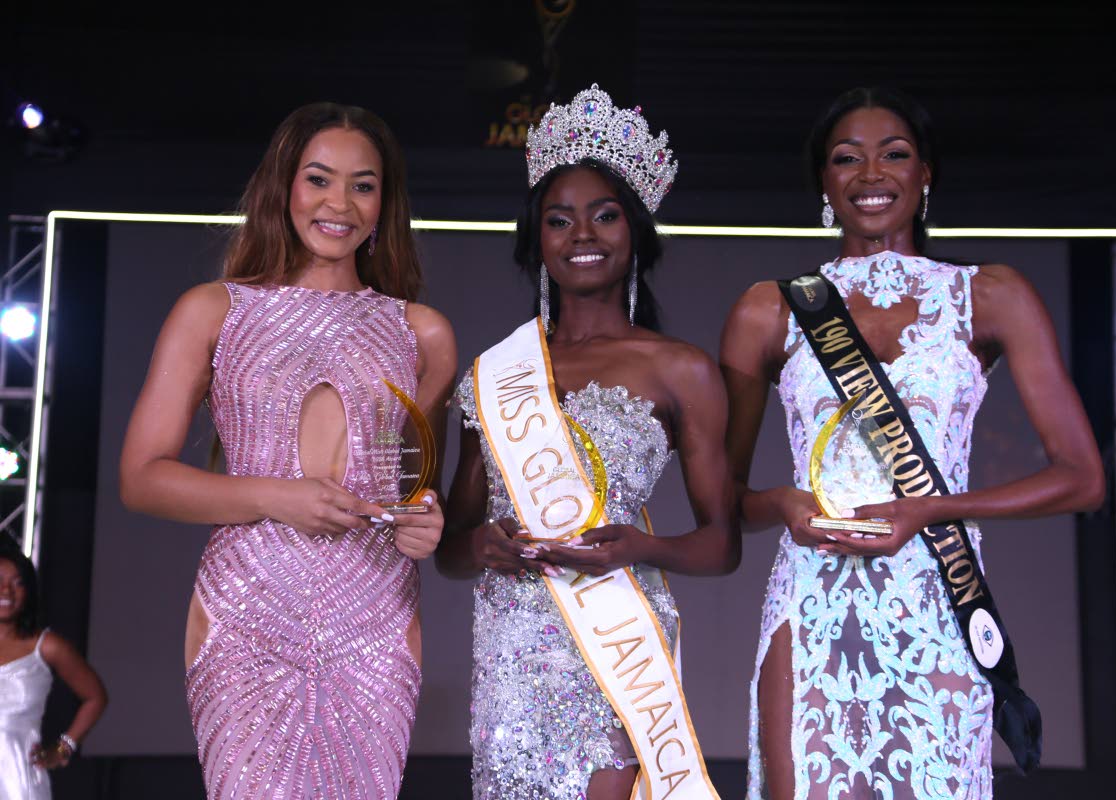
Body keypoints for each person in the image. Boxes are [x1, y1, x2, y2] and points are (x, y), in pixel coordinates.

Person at [719, 87, 1106, 799]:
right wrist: (782, 502)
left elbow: (1083, 477)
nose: (871, 174)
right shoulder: (767, 308)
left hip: (934, 590)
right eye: (847, 159)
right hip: (811, 596)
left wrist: (928, 511)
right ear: (824, 184)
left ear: (926, 174)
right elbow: (725, 500)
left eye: (893, 155)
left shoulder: (987, 295)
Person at [119, 103, 457, 799]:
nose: (340, 203)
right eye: (319, 179)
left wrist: (424, 523)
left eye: (363, 185)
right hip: (248, 610)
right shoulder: (213, 310)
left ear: (385, 203)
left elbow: (413, 488)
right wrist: (279, 496)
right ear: (283, 186)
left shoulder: (422, 334)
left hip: (376, 616)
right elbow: (141, 478)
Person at [439, 84, 738, 800]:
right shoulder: (492, 374)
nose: (582, 235)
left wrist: (641, 547)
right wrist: (480, 546)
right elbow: (451, 546)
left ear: (633, 230)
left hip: (617, 640)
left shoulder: (682, 369)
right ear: (536, 239)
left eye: (604, 216)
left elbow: (721, 545)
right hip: (512, 643)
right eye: (560, 219)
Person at [0, 545, 107, 800]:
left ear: (29, 591)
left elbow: (95, 697)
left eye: (18, 583)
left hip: (16, 781)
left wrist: (63, 748)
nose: (6, 591)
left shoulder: (47, 646)